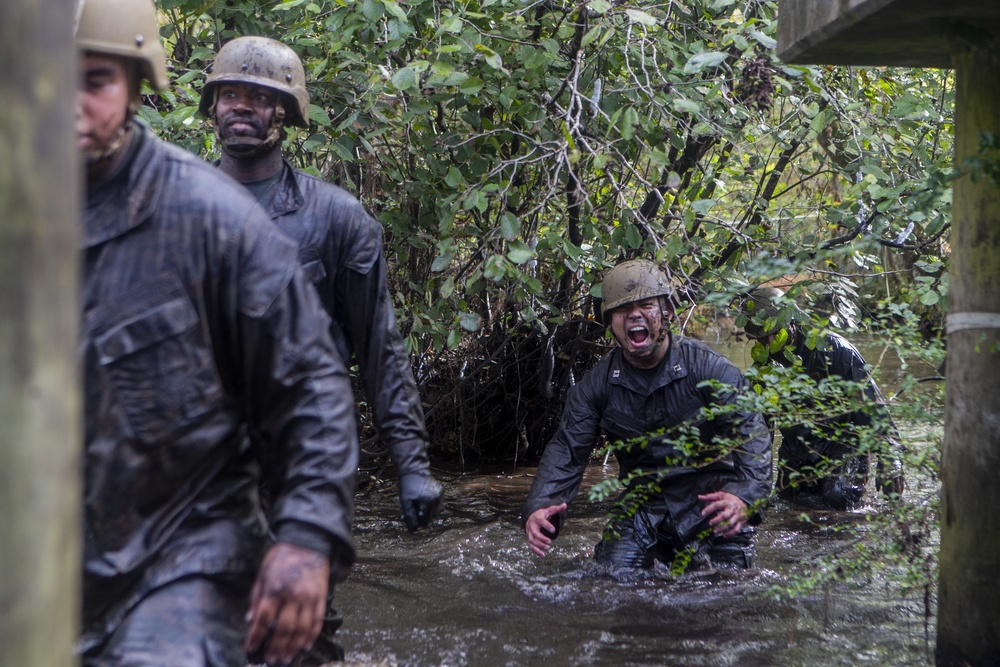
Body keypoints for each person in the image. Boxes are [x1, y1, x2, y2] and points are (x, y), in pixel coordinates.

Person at [76, 1, 359, 665]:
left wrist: (307, 538)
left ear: (137, 86)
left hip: (184, 549)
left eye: (94, 83)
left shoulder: (216, 222)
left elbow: (316, 384)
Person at [197, 36, 443, 532]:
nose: (241, 107)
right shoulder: (179, 210)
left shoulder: (337, 219)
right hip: (202, 460)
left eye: (260, 97)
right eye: (230, 95)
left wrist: (412, 465)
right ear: (213, 107)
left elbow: (380, 349)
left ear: (285, 113)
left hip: (303, 458)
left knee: (299, 606)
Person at [522, 260, 772, 570]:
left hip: (713, 504)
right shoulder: (596, 385)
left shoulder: (708, 368)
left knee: (724, 594)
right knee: (611, 581)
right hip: (644, 508)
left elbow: (753, 433)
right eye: (623, 310)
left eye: (647, 305)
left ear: (666, 311)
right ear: (611, 323)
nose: (635, 315)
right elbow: (567, 450)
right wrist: (540, 506)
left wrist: (744, 497)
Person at [739, 286, 905, 510]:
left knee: (836, 497)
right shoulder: (765, 367)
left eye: (772, 334)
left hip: (845, 444)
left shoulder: (836, 351)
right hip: (796, 449)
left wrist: (890, 458)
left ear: (791, 322)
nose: (767, 343)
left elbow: (872, 409)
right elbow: (759, 428)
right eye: (760, 339)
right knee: (786, 505)